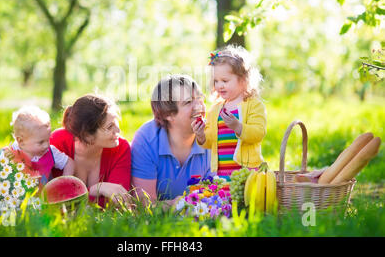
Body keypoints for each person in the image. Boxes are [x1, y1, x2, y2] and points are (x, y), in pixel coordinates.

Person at [131, 74, 212, 206]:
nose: (200, 107)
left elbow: (218, 195)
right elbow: (145, 205)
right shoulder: (146, 140)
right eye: (188, 102)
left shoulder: (213, 135)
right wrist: (180, 204)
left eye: (200, 98)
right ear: (168, 115)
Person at [192, 45, 267, 181]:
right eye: (216, 81)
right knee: (226, 199)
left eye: (225, 81)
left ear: (243, 80)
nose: (219, 85)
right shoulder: (215, 110)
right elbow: (211, 141)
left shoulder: (253, 105)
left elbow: (258, 133)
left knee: (245, 200)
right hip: (222, 172)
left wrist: (238, 126)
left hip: (247, 171)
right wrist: (201, 135)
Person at [50, 94, 132, 207]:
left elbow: (117, 201)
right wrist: (96, 189)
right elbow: (55, 199)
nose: (118, 130)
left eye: (116, 122)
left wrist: (80, 197)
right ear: (87, 135)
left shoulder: (121, 148)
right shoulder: (57, 142)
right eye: (109, 127)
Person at [0, 105, 75, 185]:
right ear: (21, 141)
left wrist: (65, 182)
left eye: (48, 139)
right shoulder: (10, 154)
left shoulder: (51, 152)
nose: (46, 145)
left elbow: (69, 162)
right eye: (41, 142)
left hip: (44, 195)